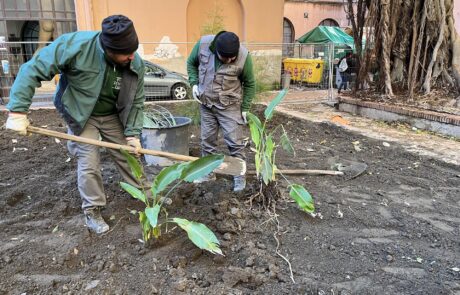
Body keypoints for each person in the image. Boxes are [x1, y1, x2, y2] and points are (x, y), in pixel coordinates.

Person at [5, 15, 146, 234]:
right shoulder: (75, 46)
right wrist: (18, 111)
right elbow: (31, 70)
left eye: (133, 51)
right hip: (81, 113)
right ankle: (93, 211)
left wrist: (133, 133)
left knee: (129, 154)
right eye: (126, 53)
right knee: (89, 161)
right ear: (108, 49)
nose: (132, 57)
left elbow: (137, 100)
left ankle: (146, 193)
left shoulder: (133, 62)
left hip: (111, 115)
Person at [187, 31, 255, 192]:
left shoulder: (244, 56)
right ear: (217, 51)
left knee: (235, 143)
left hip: (229, 106)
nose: (231, 60)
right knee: (207, 141)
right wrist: (194, 83)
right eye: (227, 58)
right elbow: (191, 63)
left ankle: (239, 177)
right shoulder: (203, 45)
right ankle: (208, 173)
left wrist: (245, 108)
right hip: (206, 104)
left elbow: (250, 83)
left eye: (233, 57)